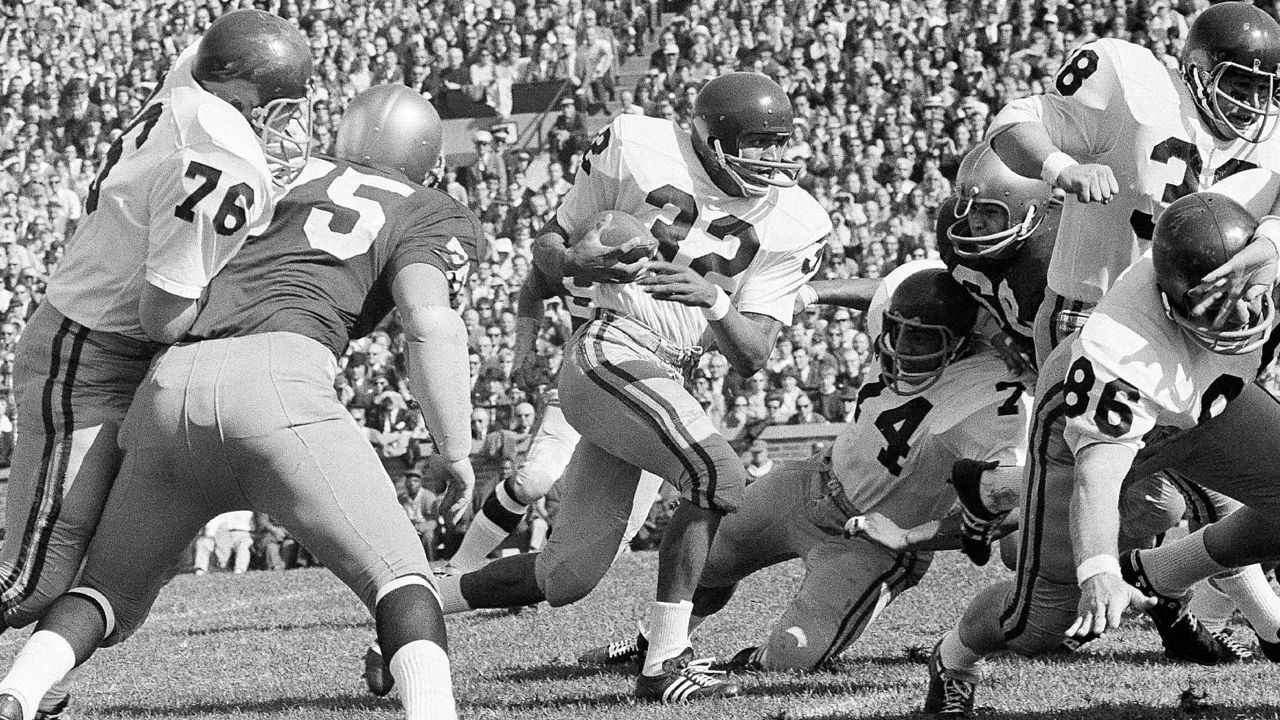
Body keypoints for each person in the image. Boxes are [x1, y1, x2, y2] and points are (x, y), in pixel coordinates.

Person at [0, 85, 480, 720]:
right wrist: (455, 448)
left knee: (102, 590)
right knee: (399, 578)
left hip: (170, 386)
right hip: (282, 386)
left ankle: (17, 694)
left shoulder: (269, 172)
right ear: (428, 159)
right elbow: (428, 324)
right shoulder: (429, 208)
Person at [431, 72, 830, 703]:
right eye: (760, 143)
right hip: (612, 343)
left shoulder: (798, 221)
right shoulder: (638, 144)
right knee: (717, 475)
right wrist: (572, 266)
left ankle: (414, 604)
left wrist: (716, 302)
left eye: (782, 143)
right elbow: (550, 245)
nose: (776, 158)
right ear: (708, 136)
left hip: (670, 373)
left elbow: (753, 355)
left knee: (567, 575)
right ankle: (665, 661)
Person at [0, 11, 312, 718]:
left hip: (101, 348)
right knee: (33, 578)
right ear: (239, 95)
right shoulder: (226, 160)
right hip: (90, 356)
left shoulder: (193, 83)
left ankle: (18, 691)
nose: (289, 125)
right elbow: (161, 316)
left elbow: (217, 56)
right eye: (279, 108)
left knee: (116, 568)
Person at [926, 191, 1280, 717]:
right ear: (1168, 299)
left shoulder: (1265, 257)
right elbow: (1098, 477)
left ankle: (1160, 569)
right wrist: (1098, 571)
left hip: (1208, 400)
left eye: (1247, 291)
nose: (1245, 312)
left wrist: (1269, 245)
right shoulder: (1123, 348)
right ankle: (952, 660)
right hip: (1087, 428)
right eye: (1215, 306)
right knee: (1042, 621)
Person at [577, 264, 1030, 673]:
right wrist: (810, 294)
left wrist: (911, 537)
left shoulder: (993, 397)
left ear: (963, 342)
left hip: (872, 540)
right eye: (898, 328)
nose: (903, 345)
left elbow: (1015, 504)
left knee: (792, 657)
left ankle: (753, 660)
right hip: (810, 483)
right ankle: (657, 643)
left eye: (924, 337)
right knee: (704, 562)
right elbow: (884, 292)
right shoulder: (899, 324)